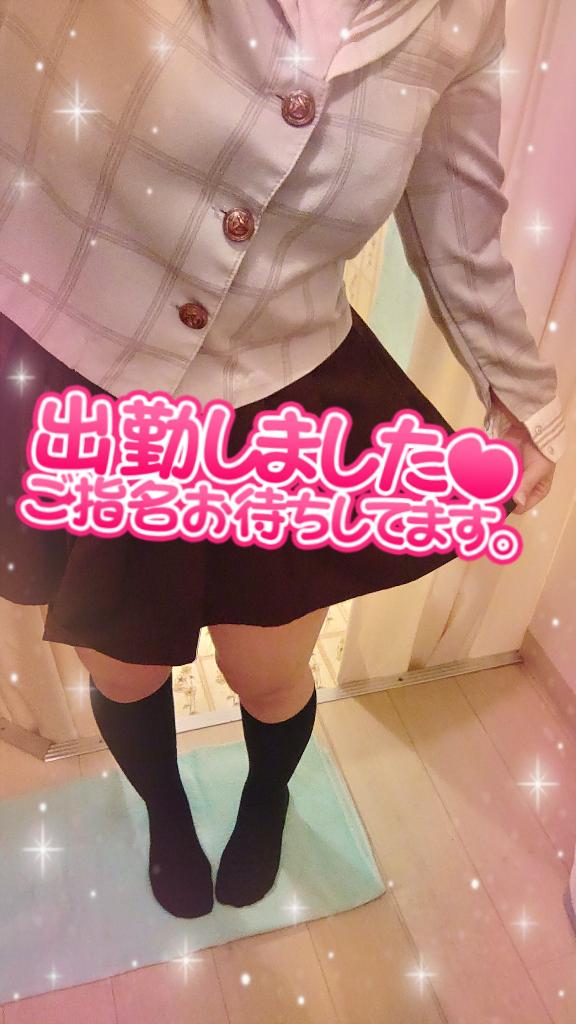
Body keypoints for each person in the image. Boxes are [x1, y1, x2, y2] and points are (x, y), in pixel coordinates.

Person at [0, 0, 566, 919]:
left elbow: (458, 222)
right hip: (82, 368)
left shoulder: (462, 15)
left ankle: (267, 798)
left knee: (267, 671)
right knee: (123, 669)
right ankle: (167, 815)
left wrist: (527, 401)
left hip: (280, 385)